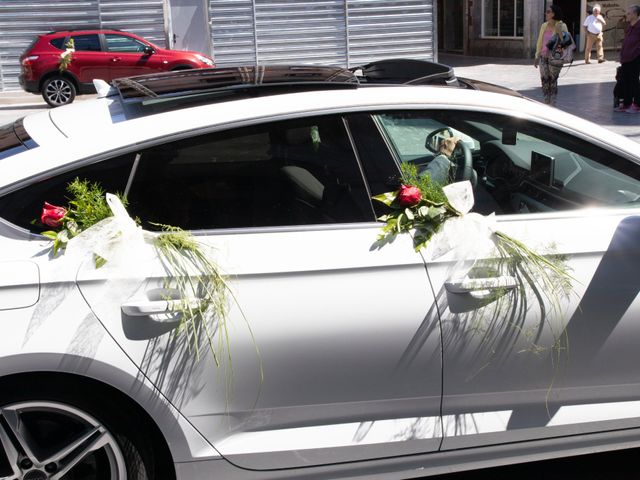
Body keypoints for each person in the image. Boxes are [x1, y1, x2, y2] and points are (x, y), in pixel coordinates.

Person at [534, 5, 569, 106]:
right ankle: (546, 102)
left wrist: (559, 32)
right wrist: (537, 56)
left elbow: (566, 43)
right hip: (543, 57)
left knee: (553, 81)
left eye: (548, 12)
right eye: (546, 12)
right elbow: (539, 42)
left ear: (554, 14)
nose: (546, 13)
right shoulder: (544, 25)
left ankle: (552, 103)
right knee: (544, 81)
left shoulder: (562, 26)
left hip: (555, 59)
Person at [615, 5, 640, 113]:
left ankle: (637, 104)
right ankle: (627, 103)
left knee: (634, 82)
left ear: (635, 14)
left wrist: (636, 53)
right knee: (625, 81)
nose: (627, 15)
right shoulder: (630, 25)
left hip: (635, 58)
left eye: (629, 13)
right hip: (626, 58)